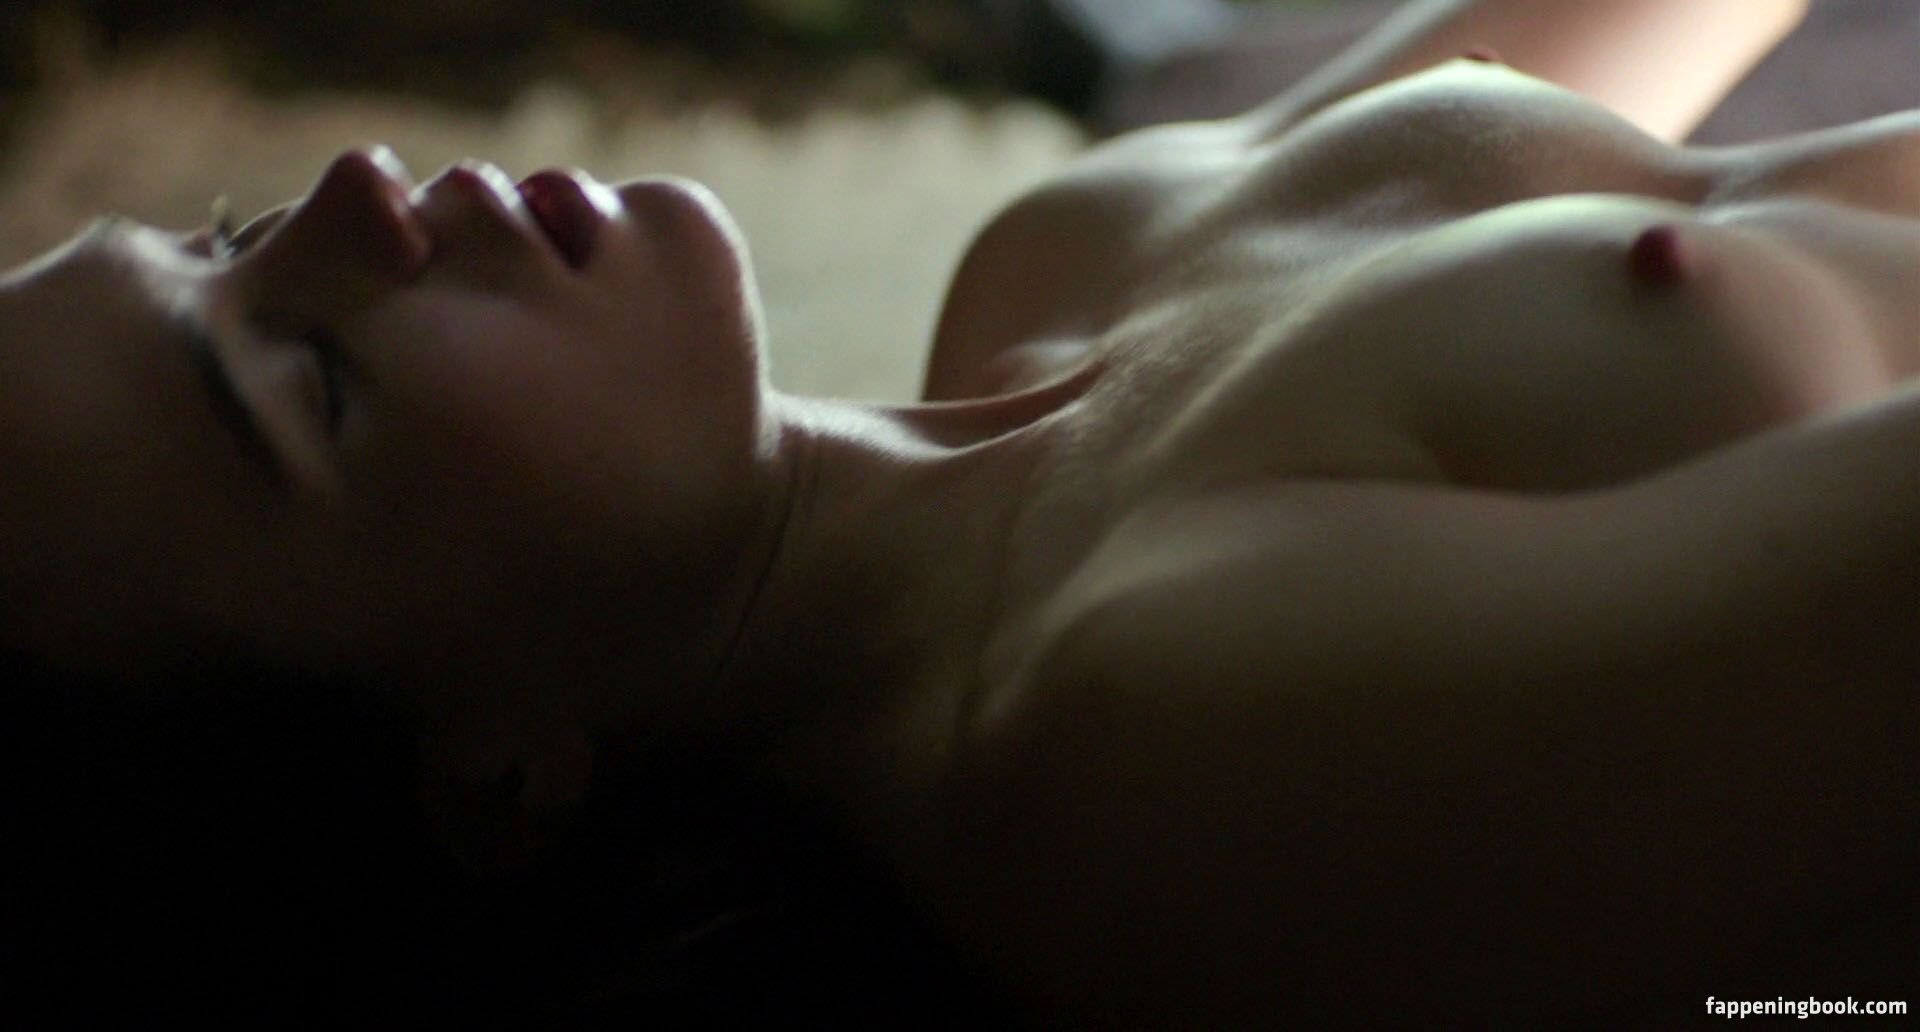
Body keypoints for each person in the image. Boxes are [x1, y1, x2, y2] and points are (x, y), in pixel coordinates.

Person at [2, 0, 1914, 1024]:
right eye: (303, 382)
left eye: (225, 240)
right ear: (498, 771)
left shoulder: (1055, 259)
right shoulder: (1131, 744)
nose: (352, 189)